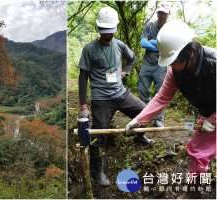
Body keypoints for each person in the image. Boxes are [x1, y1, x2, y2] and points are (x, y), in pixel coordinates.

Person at [125, 20, 216, 199]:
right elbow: (161, 98)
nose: (171, 66)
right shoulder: (174, 71)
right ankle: (195, 193)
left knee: (198, 151)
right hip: (208, 112)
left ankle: (193, 194)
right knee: (198, 152)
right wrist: (139, 120)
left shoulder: (213, 63)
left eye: (174, 61)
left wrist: (213, 121)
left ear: (190, 53)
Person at [78, 6, 155, 186]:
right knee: (98, 135)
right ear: (99, 29)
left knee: (145, 112)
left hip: (121, 93)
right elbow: (83, 78)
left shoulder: (119, 45)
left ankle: (139, 136)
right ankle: (97, 171)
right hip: (101, 98)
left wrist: (125, 72)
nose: (107, 35)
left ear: (115, 29)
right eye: (104, 32)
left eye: (110, 32)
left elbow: (133, 58)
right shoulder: (89, 49)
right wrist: (83, 106)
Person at [138, 2, 171, 127]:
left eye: (164, 12)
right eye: (160, 12)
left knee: (160, 93)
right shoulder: (149, 26)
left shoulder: (170, 29)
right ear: (157, 13)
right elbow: (144, 44)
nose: (162, 15)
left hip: (161, 65)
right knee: (142, 90)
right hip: (147, 64)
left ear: (169, 13)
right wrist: (160, 46)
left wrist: (153, 42)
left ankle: (158, 119)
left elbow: (169, 48)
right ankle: (146, 115)